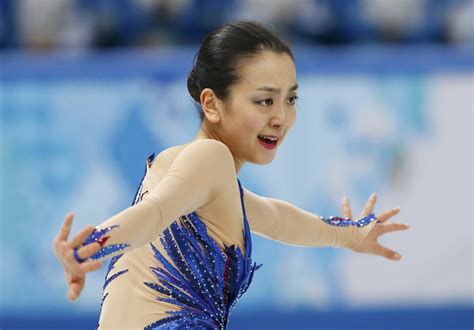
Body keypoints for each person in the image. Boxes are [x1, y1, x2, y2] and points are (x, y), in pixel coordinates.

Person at [53, 20, 409, 329]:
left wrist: (347, 235)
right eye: (265, 100)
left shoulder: (187, 170)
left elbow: (276, 219)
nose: (281, 118)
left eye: (291, 99)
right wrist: (92, 246)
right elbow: (154, 214)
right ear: (211, 104)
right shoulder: (210, 157)